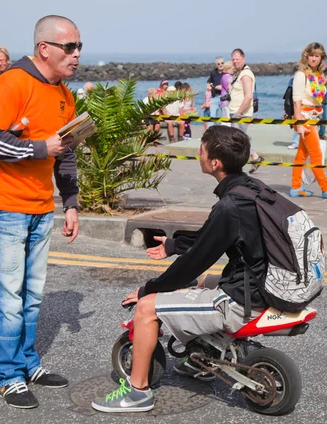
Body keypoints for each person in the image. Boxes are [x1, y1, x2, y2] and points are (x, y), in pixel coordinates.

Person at [91, 125, 267, 413]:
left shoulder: (229, 205)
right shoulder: (252, 189)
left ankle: (137, 393)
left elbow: (194, 262)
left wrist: (148, 289)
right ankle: (203, 357)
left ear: (215, 163)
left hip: (244, 297)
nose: (198, 155)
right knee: (200, 284)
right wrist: (174, 245)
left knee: (148, 308)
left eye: (201, 151)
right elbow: (215, 236)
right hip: (263, 283)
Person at [0, 15, 82, 409]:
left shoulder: (65, 96)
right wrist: (39, 148)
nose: (77, 54)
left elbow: (64, 154)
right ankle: (7, 376)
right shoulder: (11, 84)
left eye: (79, 47)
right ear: (44, 49)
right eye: (69, 47)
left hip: (41, 208)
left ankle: (26, 363)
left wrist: (70, 204)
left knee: (32, 296)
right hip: (4, 208)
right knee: (9, 299)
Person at [291, 42, 327, 200]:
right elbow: (297, 101)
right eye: (311, 55)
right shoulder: (301, 75)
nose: (314, 58)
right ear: (306, 56)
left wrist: (325, 83)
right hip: (304, 119)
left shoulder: (317, 75)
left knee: (301, 155)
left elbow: (317, 96)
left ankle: (295, 187)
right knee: (316, 155)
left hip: (314, 118)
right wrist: (300, 125)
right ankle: (326, 187)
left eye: (317, 55)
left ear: (321, 58)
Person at [228, 48, 263, 173]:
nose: (235, 61)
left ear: (243, 59)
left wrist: (239, 113)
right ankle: (254, 157)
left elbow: (248, 96)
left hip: (241, 114)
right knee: (240, 139)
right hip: (235, 112)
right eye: (233, 59)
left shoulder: (246, 74)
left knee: (239, 140)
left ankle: (242, 162)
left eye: (237, 59)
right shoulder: (238, 73)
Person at [318, 70, 327, 141]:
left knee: (324, 118)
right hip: (318, 101)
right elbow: (318, 92)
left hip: (324, 100)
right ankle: (318, 134)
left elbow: (324, 90)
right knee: (317, 118)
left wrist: (326, 82)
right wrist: (325, 82)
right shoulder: (315, 75)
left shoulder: (325, 72)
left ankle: (321, 134)